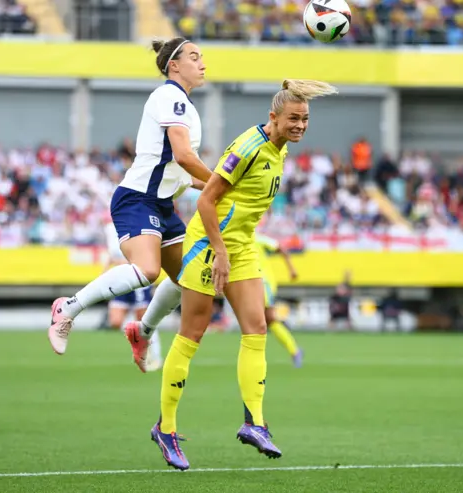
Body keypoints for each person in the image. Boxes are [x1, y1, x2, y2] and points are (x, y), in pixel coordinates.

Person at [149, 79, 338, 470]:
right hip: (209, 244)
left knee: (257, 328)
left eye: (305, 119)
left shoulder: (280, 149)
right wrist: (218, 252)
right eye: (293, 119)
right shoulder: (249, 147)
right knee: (193, 334)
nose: (300, 125)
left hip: (243, 245)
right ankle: (165, 428)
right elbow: (207, 199)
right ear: (273, 117)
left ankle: (255, 422)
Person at [47, 37, 212, 357]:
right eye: (195, 57)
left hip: (161, 204)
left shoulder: (185, 106)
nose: (202, 62)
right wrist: (225, 181)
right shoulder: (170, 96)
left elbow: (182, 172)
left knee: (189, 279)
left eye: (202, 56)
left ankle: (143, 331)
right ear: (174, 66)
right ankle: (67, 309)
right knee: (147, 271)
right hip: (137, 199)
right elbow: (183, 155)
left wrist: (222, 189)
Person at [103, 215, 163, 371]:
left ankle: (155, 355)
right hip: (120, 278)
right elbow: (113, 254)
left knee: (144, 319)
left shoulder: (137, 227)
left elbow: (140, 257)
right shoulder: (110, 230)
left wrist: (119, 263)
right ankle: (136, 337)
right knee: (115, 321)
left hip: (137, 278)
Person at [255, 233, 303, 367]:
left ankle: (294, 350)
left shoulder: (258, 239)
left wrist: (292, 269)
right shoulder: (236, 238)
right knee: (267, 320)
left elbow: (281, 248)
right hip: (250, 282)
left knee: (261, 318)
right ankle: (295, 350)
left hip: (264, 283)